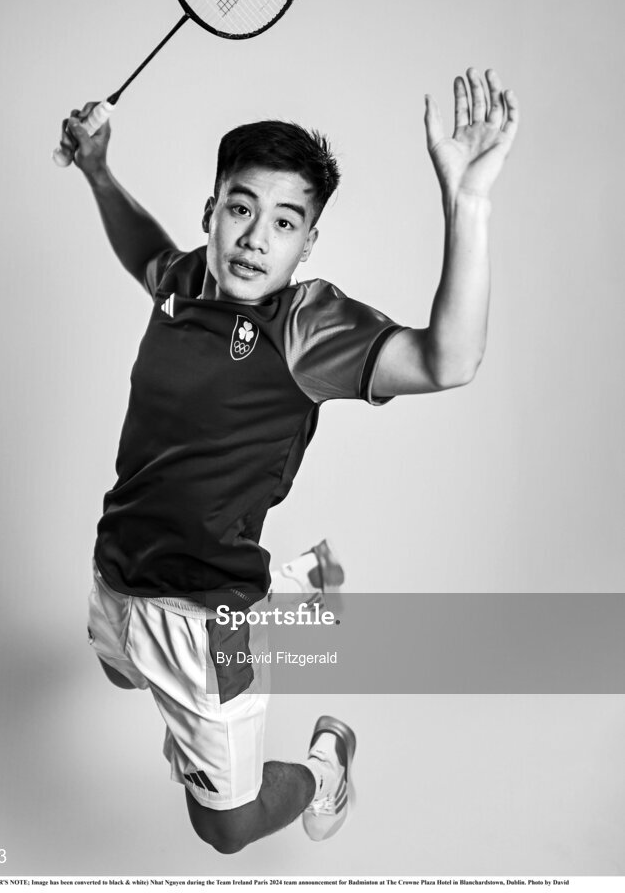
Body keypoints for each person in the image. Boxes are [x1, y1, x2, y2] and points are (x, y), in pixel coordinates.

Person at [58, 68, 518, 854]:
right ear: (211, 211)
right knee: (115, 671)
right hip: (118, 571)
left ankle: (325, 764)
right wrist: (99, 171)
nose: (254, 238)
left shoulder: (304, 328)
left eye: (284, 223)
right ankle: (301, 581)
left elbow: (450, 361)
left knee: (227, 828)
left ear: (309, 242)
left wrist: (465, 203)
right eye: (240, 209)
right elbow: (145, 250)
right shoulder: (183, 283)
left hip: (210, 621)